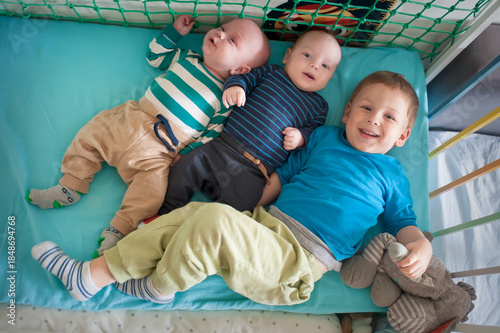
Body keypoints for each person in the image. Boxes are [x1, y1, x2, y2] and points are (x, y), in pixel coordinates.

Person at [31, 71, 433, 307]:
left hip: (298, 265)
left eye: (388, 117)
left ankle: (159, 286)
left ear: (403, 135)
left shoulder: (390, 175)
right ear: (348, 111)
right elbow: (284, 175)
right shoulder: (325, 139)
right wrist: (248, 204)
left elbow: (402, 221)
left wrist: (422, 245)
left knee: (213, 222)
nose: (373, 120)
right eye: (365, 108)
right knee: (187, 216)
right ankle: (91, 274)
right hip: (264, 224)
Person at [26, 15, 271, 256]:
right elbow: (154, 57)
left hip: (162, 149)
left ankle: (118, 229)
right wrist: (175, 33)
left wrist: (183, 155)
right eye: (222, 27)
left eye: (231, 40)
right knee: (92, 133)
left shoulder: (224, 98)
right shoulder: (188, 58)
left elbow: (211, 135)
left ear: (240, 69)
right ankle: (70, 185)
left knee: (153, 192)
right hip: (131, 118)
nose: (219, 33)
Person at [158, 30, 341, 215]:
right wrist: (236, 87)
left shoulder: (319, 107)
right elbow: (243, 78)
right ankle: (165, 213)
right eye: (308, 55)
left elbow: (313, 134)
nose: (314, 65)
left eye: (325, 66)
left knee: (237, 211)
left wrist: (302, 138)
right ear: (287, 56)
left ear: (329, 79)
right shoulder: (271, 72)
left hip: (254, 171)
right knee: (184, 167)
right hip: (220, 148)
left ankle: (201, 232)